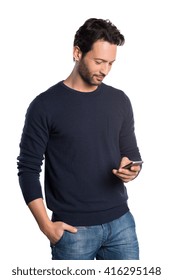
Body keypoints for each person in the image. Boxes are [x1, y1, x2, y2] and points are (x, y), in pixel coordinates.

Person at [17, 18, 143, 260]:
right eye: (98, 61)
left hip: (122, 224)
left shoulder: (119, 100)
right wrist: (46, 226)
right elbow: (28, 169)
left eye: (110, 63)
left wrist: (132, 169)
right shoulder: (44, 105)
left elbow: (131, 152)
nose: (105, 70)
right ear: (77, 52)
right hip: (74, 231)